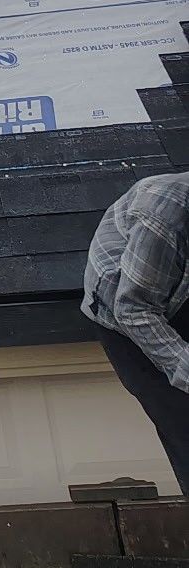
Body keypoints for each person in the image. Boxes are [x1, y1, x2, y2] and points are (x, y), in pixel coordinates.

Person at [83, 170, 189, 491]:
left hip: (176, 286)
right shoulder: (164, 218)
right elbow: (134, 308)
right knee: (182, 417)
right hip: (124, 310)